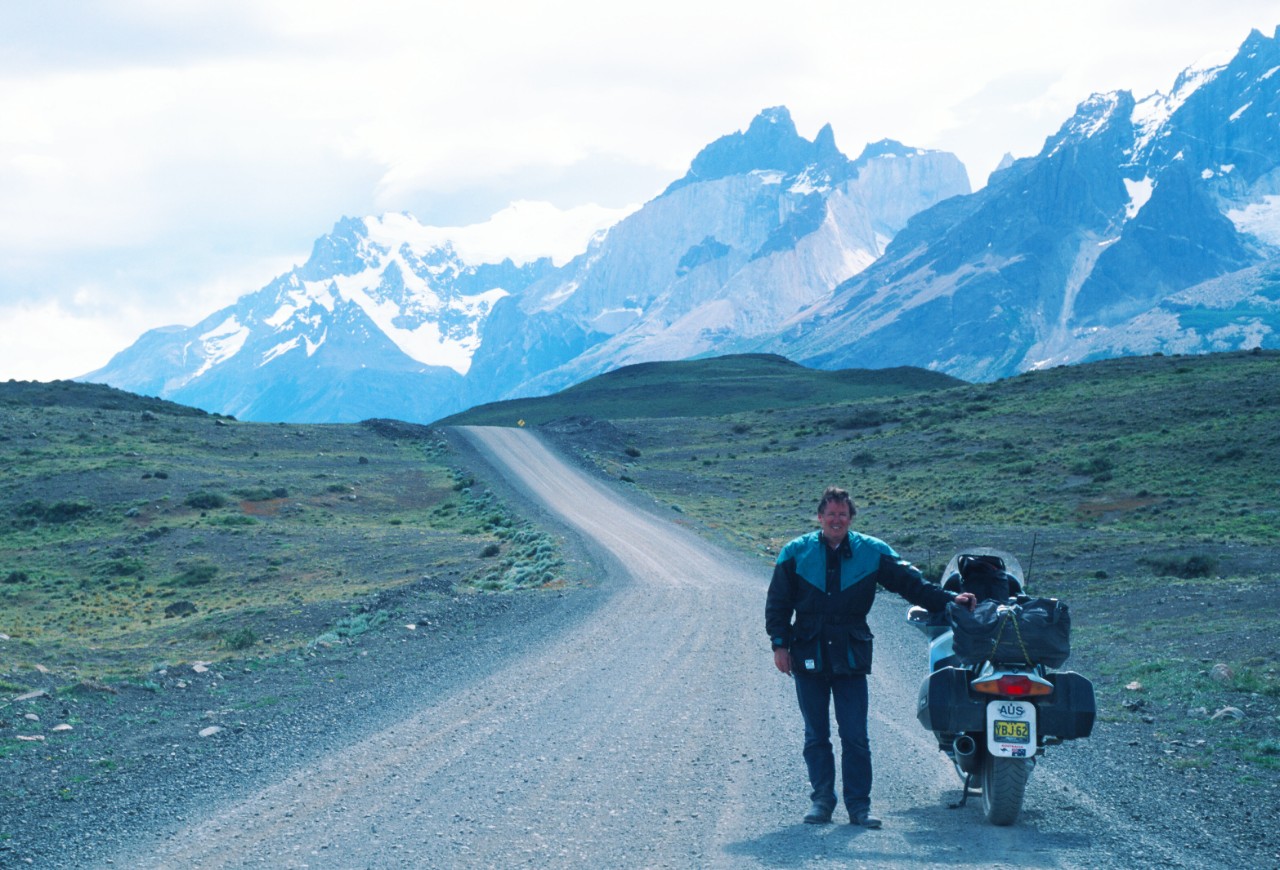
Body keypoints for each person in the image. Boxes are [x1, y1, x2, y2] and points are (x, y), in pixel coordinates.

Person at [765, 486, 976, 827]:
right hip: (808, 649)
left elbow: (912, 585)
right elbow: (778, 602)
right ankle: (822, 802)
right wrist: (779, 644)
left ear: (850, 518)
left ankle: (859, 807)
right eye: (830, 514)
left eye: (842, 514)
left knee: (855, 735)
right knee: (816, 734)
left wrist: (950, 600)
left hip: (851, 653)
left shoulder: (872, 551)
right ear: (820, 517)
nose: (836, 520)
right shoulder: (795, 552)